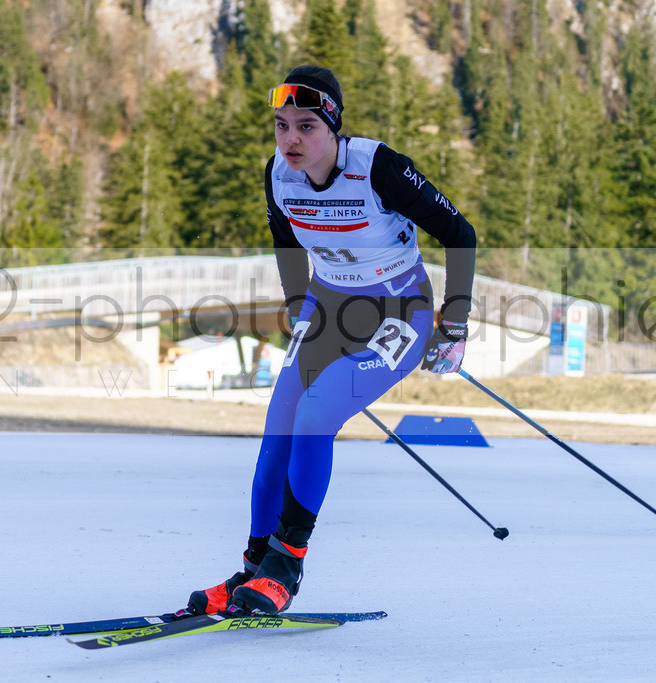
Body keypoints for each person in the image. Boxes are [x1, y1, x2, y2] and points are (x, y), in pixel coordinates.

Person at [188, 65, 476, 616]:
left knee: (318, 411)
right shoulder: (278, 173)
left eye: (305, 126)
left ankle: (287, 563)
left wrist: (454, 323)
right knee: (278, 430)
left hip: (399, 313)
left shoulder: (377, 167)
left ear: (333, 127)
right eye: (280, 126)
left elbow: (459, 233)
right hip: (326, 311)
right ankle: (254, 567)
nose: (291, 140)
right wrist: (300, 309)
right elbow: (285, 243)